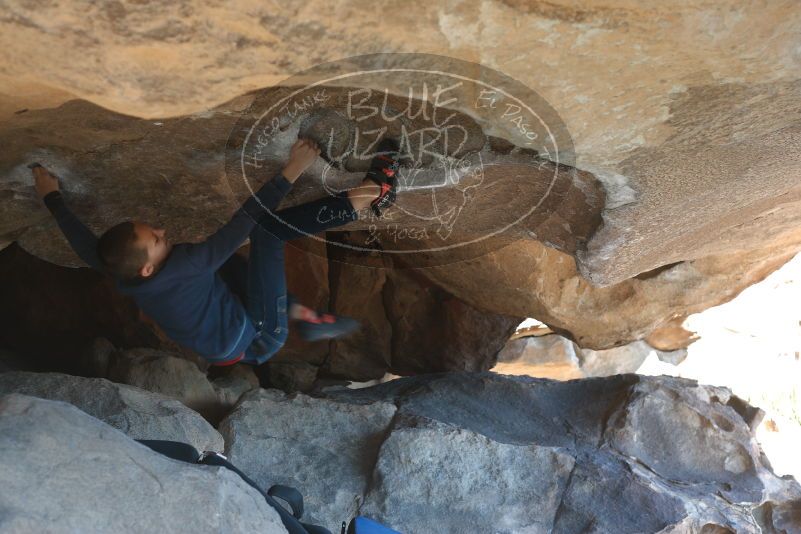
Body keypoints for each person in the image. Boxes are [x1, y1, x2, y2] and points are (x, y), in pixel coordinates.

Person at [31, 137, 400, 366]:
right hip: (259, 335)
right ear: (146, 268)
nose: (161, 230)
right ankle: (375, 192)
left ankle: (302, 315)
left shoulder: (122, 268)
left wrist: (52, 197)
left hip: (229, 331)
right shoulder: (189, 265)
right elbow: (247, 219)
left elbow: (86, 247)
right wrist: (291, 170)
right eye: (156, 239)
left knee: (232, 269)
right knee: (267, 234)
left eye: (152, 229)